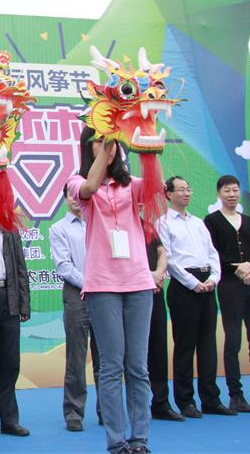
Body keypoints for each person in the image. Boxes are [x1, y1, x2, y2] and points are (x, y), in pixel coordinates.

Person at [66, 128, 156, 454]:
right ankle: (117, 441)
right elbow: (90, 187)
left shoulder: (131, 185)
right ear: (88, 146)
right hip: (103, 285)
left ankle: (140, 439)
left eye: (113, 141)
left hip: (138, 283)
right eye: (100, 141)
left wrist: (150, 147)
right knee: (111, 366)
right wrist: (106, 148)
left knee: (138, 367)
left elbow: (155, 187)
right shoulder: (76, 181)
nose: (108, 146)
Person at [158, 176, 235, 418]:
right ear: (168, 194)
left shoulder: (198, 222)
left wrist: (213, 278)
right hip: (184, 287)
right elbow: (168, 259)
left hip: (207, 284)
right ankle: (185, 401)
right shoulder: (163, 223)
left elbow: (212, 253)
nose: (186, 193)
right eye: (181, 190)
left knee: (208, 344)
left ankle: (211, 399)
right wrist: (193, 283)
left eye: (188, 189)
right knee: (185, 345)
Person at [204, 175, 250, 412]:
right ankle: (236, 395)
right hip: (229, 286)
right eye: (227, 191)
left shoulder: (248, 220)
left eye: (235, 190)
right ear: (219, 194)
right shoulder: (212, 221)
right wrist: (238, 270)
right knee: (233, 340)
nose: (232, 195)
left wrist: (249, 265)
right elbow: (213, 252)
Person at [50, 185, 101, 432]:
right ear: (65, 199)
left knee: (107, 357)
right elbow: (64, 266)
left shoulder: (99, 223)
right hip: (76, 294)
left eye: (78, 194)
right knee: (76, 357)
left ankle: (108, 410)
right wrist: (90, 284)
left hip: (105, 294)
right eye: (70, 195)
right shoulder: (59, 229)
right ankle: (73, 412)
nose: (75, 199)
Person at [0, 224, 30, 439]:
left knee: (10, 363)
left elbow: (20, 267)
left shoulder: (9, 229)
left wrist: (24, 303)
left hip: (9, 297)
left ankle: (9, 420)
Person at [144, 229, 184, 421]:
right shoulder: (115, 224)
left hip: (156, 290)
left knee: (158, 348)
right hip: (131, 292)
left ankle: (161, 402)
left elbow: (162, 251)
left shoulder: (147, 227)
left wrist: (159, 273)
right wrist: (147, 277)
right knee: (131, 354)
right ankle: (134, 407)